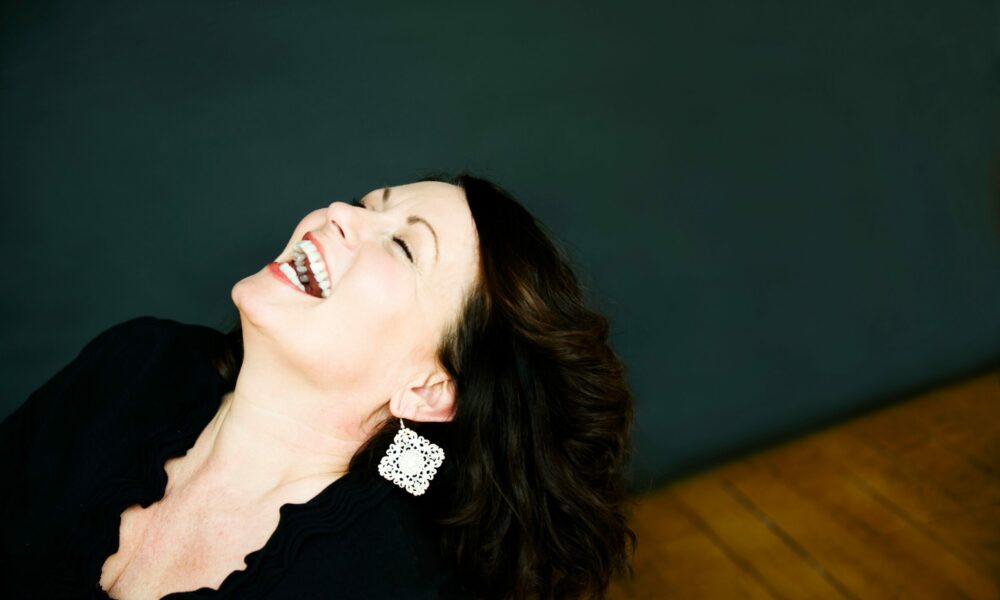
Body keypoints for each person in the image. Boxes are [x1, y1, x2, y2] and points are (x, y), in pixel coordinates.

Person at [0, 172, 636, 599]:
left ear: (427, 390)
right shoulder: (137, 364)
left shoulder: (381, 576)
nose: (338, 212)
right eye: (367, 205)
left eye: (404, 246)